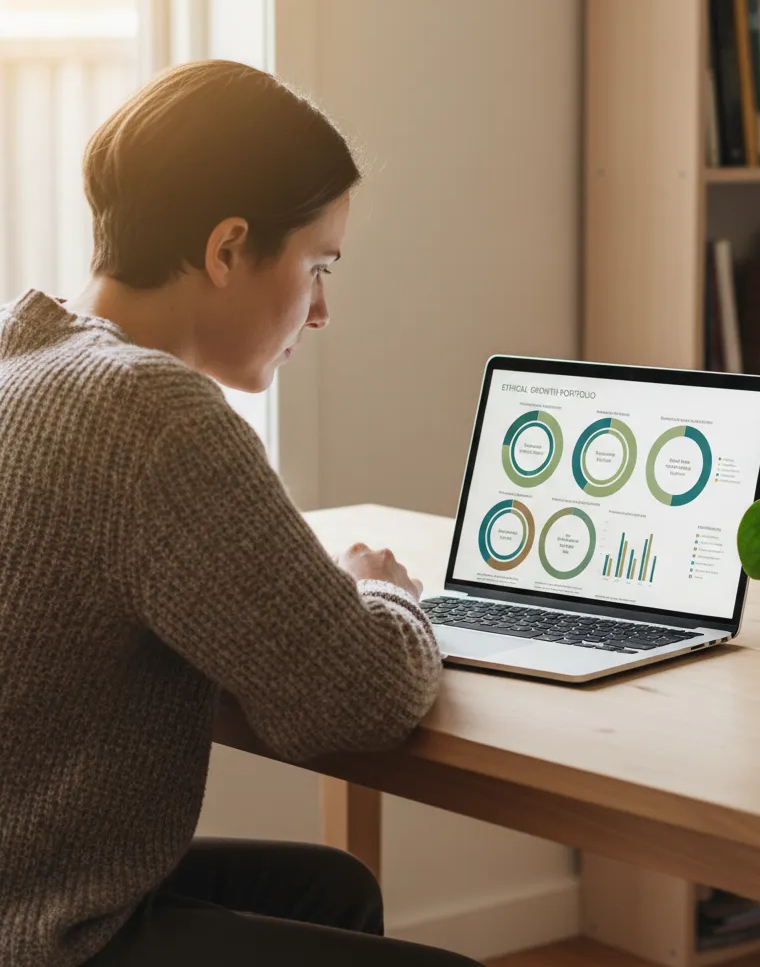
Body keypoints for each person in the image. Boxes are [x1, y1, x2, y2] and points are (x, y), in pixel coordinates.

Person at [0, 59, 476, 967]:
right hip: (37, 935)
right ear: (227, 249)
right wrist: (382, 594)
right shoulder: (146, 410)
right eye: (317, 265)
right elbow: (358, 699)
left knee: (334, 889)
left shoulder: (23, 358)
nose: (324, 309)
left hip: (21, 875)